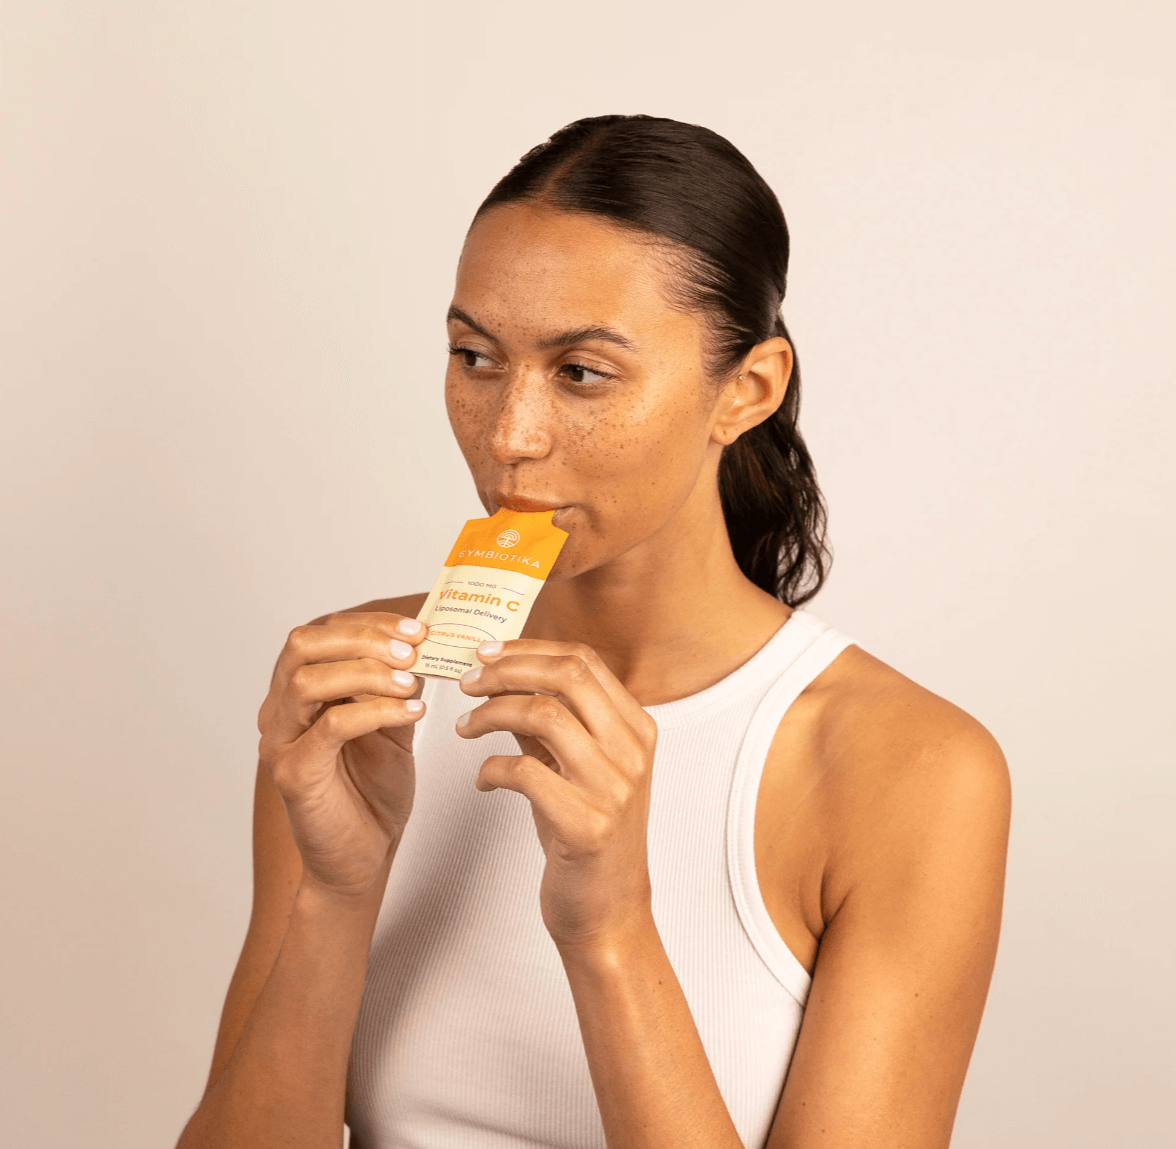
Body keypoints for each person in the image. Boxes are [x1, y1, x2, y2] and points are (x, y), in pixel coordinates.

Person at [176, 114, 1010, 1149]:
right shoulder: (360, 689)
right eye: (475, 356)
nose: (510, 437)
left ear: (747, 389)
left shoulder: (911, 768)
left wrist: (611, 930)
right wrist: (338, 894)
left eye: (581, 372)